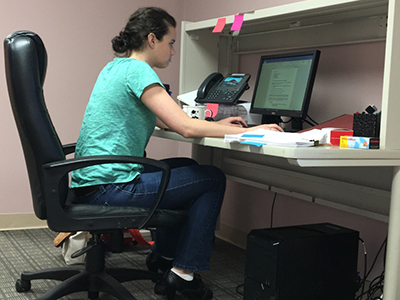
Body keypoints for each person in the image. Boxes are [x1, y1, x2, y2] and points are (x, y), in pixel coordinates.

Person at [70, 7, 283, 300]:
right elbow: (183, 128)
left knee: (186, 166)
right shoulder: (139, 70)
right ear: (152, 39)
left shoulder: (116, 67)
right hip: (111, 188)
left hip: (91, 181)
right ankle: (183, 275)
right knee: (210, 179)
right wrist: (252, 132)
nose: (173, 52)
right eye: (170, 43)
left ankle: (163, 257)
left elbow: (162, 117)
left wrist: (214, 124)